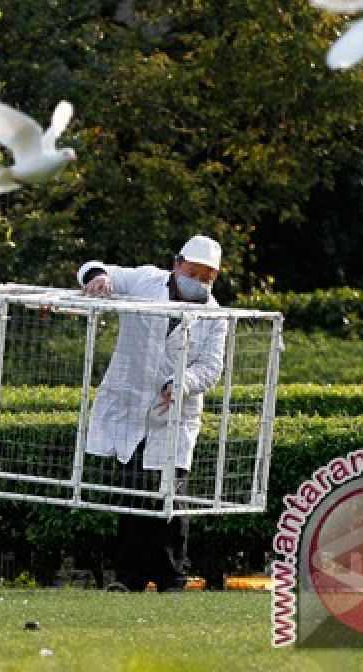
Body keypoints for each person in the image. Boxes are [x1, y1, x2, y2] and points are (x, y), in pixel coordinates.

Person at [77, 235, 228, 592]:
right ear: (177, 265)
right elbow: (91, 269)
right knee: (132, 493)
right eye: (194, 272)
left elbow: (212, 367)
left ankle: (170, 577)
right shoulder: (146, 280)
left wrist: (181, 382)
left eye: (208, 277)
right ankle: (128, 577)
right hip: (131, 404)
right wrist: (98, 278)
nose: (200, 282)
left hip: (174, 413)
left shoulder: (216, 315)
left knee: (169, 498)